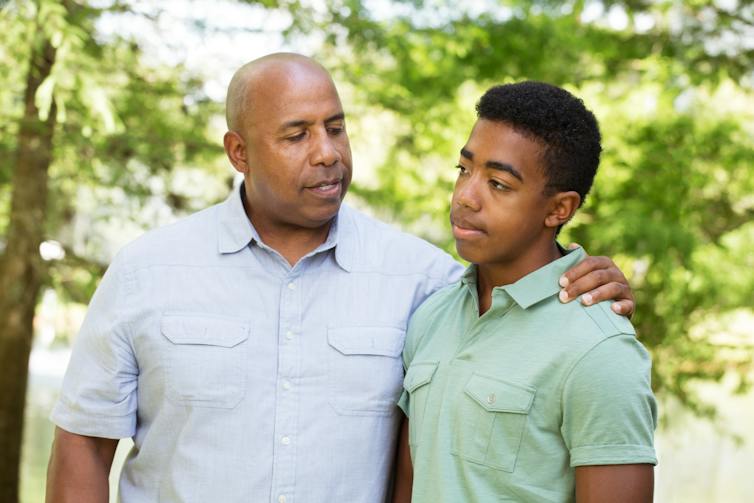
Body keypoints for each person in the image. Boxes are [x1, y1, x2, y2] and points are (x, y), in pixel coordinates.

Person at [46, 54, 636, 503]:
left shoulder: (426, 282)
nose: (327, 152)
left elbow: (524, 302)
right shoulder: (146, 271)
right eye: (297, 134)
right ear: (239, 151)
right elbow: (82, 444)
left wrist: (591, 278)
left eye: (336, 127)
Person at [393, 82, 657, 503]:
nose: (465, 196)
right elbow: (410, 480)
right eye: (464, 169)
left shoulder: (599, 349)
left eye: (498, 183)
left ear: (558, 209)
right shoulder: (432, 315)